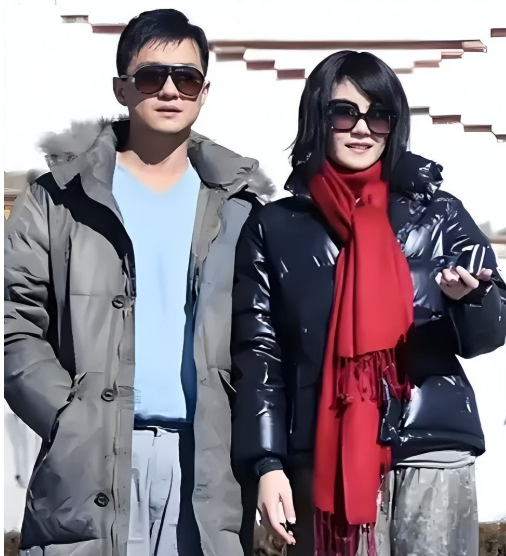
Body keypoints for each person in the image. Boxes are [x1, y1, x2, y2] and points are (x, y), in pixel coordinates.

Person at [4, 9, 274, 556]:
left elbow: (261, 337)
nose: (170, 90)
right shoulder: (59, 199)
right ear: (122, 88)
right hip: (91, 458)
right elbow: (15, 324)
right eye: (152, 77)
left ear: (204, 92)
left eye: (187, 78)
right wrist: (69, 417)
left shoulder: (241, 209)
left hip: (205, 463)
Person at [231, 50, 506, 556]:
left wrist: (474, 300)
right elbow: (259, 353)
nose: (362, 128)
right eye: (344, 113)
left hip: (432, 447)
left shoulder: (439, 213)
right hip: (325, 453)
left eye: (379, 115)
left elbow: (488, 335)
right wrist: (267, 462)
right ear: (317, 117)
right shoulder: (275, 228)